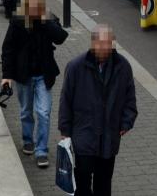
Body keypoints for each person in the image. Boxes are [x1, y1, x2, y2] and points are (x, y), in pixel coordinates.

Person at [59, 25, 138, 196]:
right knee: (82, 182)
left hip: (109, 139)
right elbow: (65, 100)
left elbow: (130, 98)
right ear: (93, 43)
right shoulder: (75, 67)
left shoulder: (123, 67)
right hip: (84, 136)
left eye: (108, 43)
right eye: (101, 43)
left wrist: (126, 121)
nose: (105, 48)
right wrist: (65, 130)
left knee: (104, 183)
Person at [1, 0, 68, 168]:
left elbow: (61, 37)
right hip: (24, 76)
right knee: (25, 111)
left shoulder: (47, 20)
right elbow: (8, 49)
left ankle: (42, 150)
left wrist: (45, 21)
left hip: (43, 76)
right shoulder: (17, 23)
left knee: (44, 113)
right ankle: (28, 140)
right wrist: (6, 76)